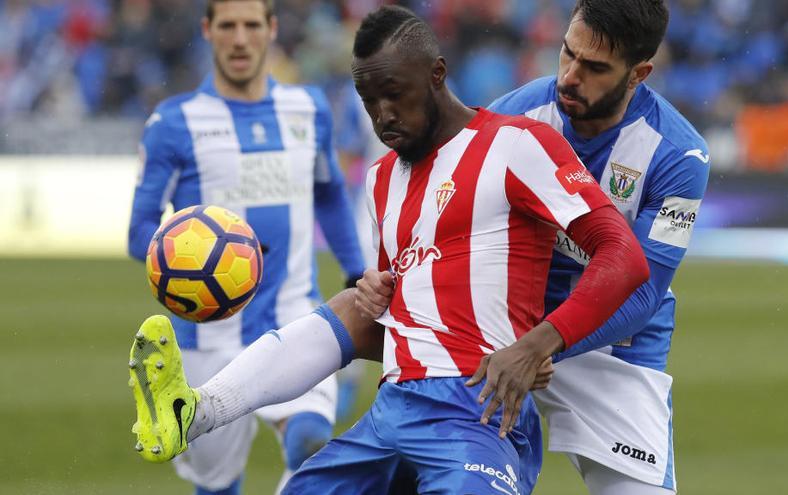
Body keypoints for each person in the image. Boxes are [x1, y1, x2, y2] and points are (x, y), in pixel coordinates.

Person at [127, 5, 648, 495]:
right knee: (352, 310)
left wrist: (539, 344)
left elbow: (622, 255)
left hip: (477, 411)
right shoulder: (381, 181)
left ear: (437, 75)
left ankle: (199, 411)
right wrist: (384, 295)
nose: (382, 115)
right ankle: (195, 412)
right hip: (392, 411)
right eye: (368, 100)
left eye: (395, 94)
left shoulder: (516, 144)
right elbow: (416, 316)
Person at [126, 1, 364, 494]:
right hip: (206, 337)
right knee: (217, 485)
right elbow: (139, 229)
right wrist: (178, 260)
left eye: (252, 25)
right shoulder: (174, 122)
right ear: (207, 31)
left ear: (271, 29)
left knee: (311, 445)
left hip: (294, 317)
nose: (240, 39)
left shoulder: (309, 109)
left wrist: (354, 270)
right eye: (228, 26)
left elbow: (330, 195)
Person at [484, 1, 711, 493]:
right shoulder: (509, 119)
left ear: (639, 73)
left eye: (594, 68)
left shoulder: (680, 156)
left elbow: (643, 293)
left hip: (612, 347)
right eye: (567, 54)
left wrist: (542, 345)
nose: (569, 76)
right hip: (504, 330)